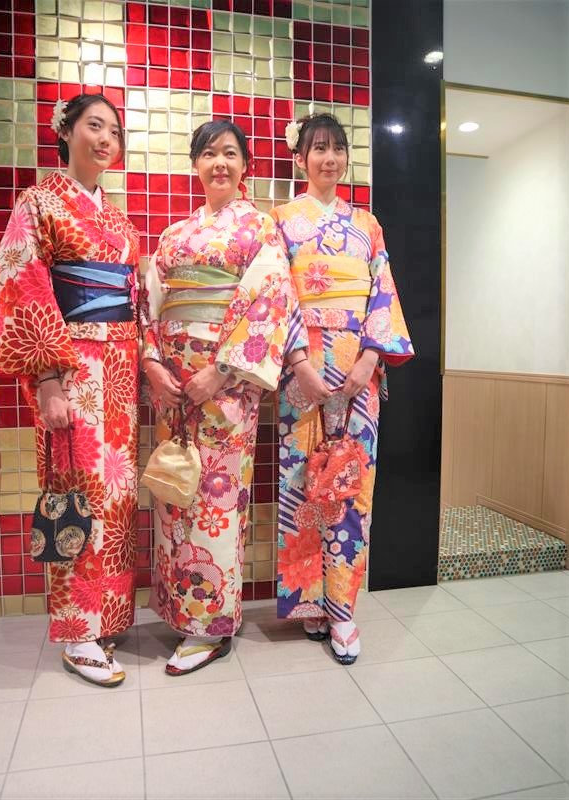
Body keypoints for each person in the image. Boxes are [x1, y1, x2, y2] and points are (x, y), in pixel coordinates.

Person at [0, 93, 141, 687]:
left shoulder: (118, 221)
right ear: (66, 131)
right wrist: (47, 380)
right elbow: (22, 282)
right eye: (94, 126)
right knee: (73, 492)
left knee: (116, 497)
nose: (105, 139)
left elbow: (131, 298)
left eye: (114, 131)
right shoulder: (38, 202)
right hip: (71, 369)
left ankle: (106, 618)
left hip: (120, 371)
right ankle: (77, 633)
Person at [141, 120, 291, 675]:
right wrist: (153, 364)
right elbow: (149, 302)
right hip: (174, 390)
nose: (219, 163)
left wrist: (221, 372)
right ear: (195, 165)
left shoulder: (260, 228)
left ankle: (210, 626)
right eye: (208, 154)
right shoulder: (174, 235)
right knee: (174, 492)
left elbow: (269, 301)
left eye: (229, 153)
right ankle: (178, 613)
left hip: (225, 391)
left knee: (215, 502)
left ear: (245, 165)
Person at [271, 113, 414, 665]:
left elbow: (383, 294)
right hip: (301, 372)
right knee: (303, 485)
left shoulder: (367, 224)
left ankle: (343, 610)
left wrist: (370, 357)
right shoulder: (281, 221)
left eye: (336, 148)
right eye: (318, 148)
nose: (328, 158)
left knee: (352, 486)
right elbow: (276, 296)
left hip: (359, 373)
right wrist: (299, 362)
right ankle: (311, 602)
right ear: (300, 159)